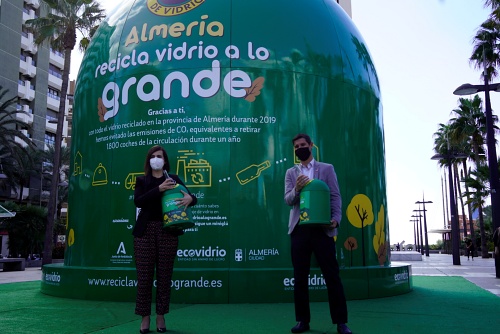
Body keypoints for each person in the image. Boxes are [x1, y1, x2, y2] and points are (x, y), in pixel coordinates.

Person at [284, 133, 352, 334]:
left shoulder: (327, 169)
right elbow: (288, 200)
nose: (300, 149)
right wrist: (297, 189)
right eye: (296, 146)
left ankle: (341, 322)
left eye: (303, 145)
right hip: (300, 230)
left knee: (332, 276)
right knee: (300, 277)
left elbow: (335, 196)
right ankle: (302, 321)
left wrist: (336, 218)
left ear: (311, 146)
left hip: (323, 229)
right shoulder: (291, 173)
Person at [133, 145, 197, 334]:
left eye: (159, 156)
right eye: (152, 156)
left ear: (165, 160)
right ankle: (145, 318)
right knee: (144, 278)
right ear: (148, 161)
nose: (156, 159)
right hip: (144, 232)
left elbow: (191, 197)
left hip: (168, 231)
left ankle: (161, 316)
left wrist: (190, 200)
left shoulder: (174, 179)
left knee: (164, 276)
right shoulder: (142, 180)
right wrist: (159, 189)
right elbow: (138, 201)